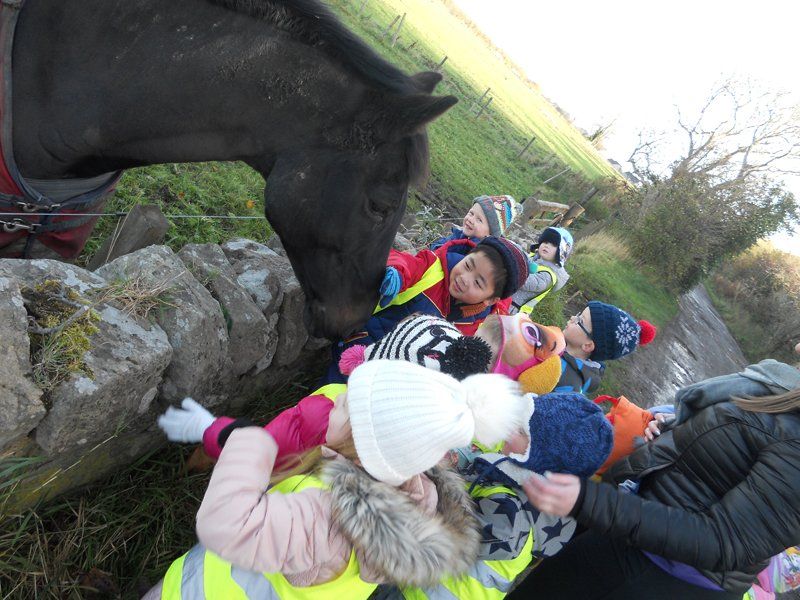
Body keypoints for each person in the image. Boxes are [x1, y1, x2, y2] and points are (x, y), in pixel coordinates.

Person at [147, 360, 530, 599]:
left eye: (346, 405)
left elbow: (227, 526)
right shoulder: (411, 497)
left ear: (363, 442)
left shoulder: (327, 519)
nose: (335, 401)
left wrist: (243, 439)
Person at [508, 359, 800, 599]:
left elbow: (724, 542)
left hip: (656, 576)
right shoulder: (786, 394)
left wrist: (590, 501)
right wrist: (675, 434)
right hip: (631, 537)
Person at [158, 314, 495, 469]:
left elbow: (265, 451)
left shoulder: (328, 416)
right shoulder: (408, 463)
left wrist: (213, 431)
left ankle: (190, 471)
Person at [379, 391, 613, 599]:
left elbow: (434, 536)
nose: (510, 430)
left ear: (541, 461)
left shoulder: (510, 517)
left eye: (521, 431)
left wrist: (433, 474)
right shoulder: (515, 475)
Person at [324, 236, 529, 383]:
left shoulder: (475, 326)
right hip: (359, 345)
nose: (464, 279)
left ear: (490, 299)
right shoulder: (434, 267)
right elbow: (406, 262)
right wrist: (396, 273)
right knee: (330, 400)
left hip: (393, 378)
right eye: (468, 265)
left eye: (478, 283)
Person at [555, 300, 656, 394]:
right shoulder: (556, 343)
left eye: (580, 321)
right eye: (578, 315)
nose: (572, 317)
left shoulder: (567, 385)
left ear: (588, 345)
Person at [510, 226, 573, 315]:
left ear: (562, 252)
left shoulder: (548, 276)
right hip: (504, 298)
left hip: (511, 310)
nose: (547, 245)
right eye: (545, 242)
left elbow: (522, 281)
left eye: (554, 244)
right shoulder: (533, 258)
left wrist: (508, 265)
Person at [430, 194, 521, 249]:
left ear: (490, 234)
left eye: (479, 220)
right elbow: (441, 243)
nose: (471, 220)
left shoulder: (477, 251)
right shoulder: (460, 235)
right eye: (471, 213)